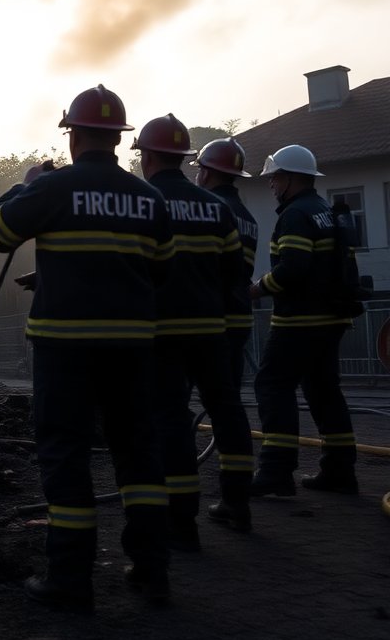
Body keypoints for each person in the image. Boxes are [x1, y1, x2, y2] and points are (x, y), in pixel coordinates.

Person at [0, 85, 173, 612]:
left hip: (65, 349)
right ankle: (153, 571)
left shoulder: (54, 189)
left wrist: (23, 188)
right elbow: (158, 269)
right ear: (117, 138)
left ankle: (71, 578)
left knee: (66, 454)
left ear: (73, 135)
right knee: (138, 451)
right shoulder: (149, 198)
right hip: (133, 349)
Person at [135, 116, 254, 545]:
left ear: (147, 156)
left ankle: (182, 522)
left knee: (170, 418)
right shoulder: (217, 207)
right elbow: (234, 273)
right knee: (227, 410)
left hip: (161, 331)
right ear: (185, 160)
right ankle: (238, 503)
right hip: (212, 331)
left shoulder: (145, 201)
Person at [249, 144, 361, 496]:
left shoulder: (296, 215)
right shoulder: (323, 210)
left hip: (299, 321)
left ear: (291, 179)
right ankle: (340, 471)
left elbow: (294, 267)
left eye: (275, 177)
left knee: (272, 386)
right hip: (331, 318)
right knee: (324, 391)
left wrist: (256, 289)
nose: (271, 184)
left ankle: (276, 473)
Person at [192, 138, 261, 391]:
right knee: (228, 396)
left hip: (212, 317)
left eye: (199, 169)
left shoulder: (210, 209)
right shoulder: (249, 217)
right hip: (240, 316)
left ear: (206, 172)